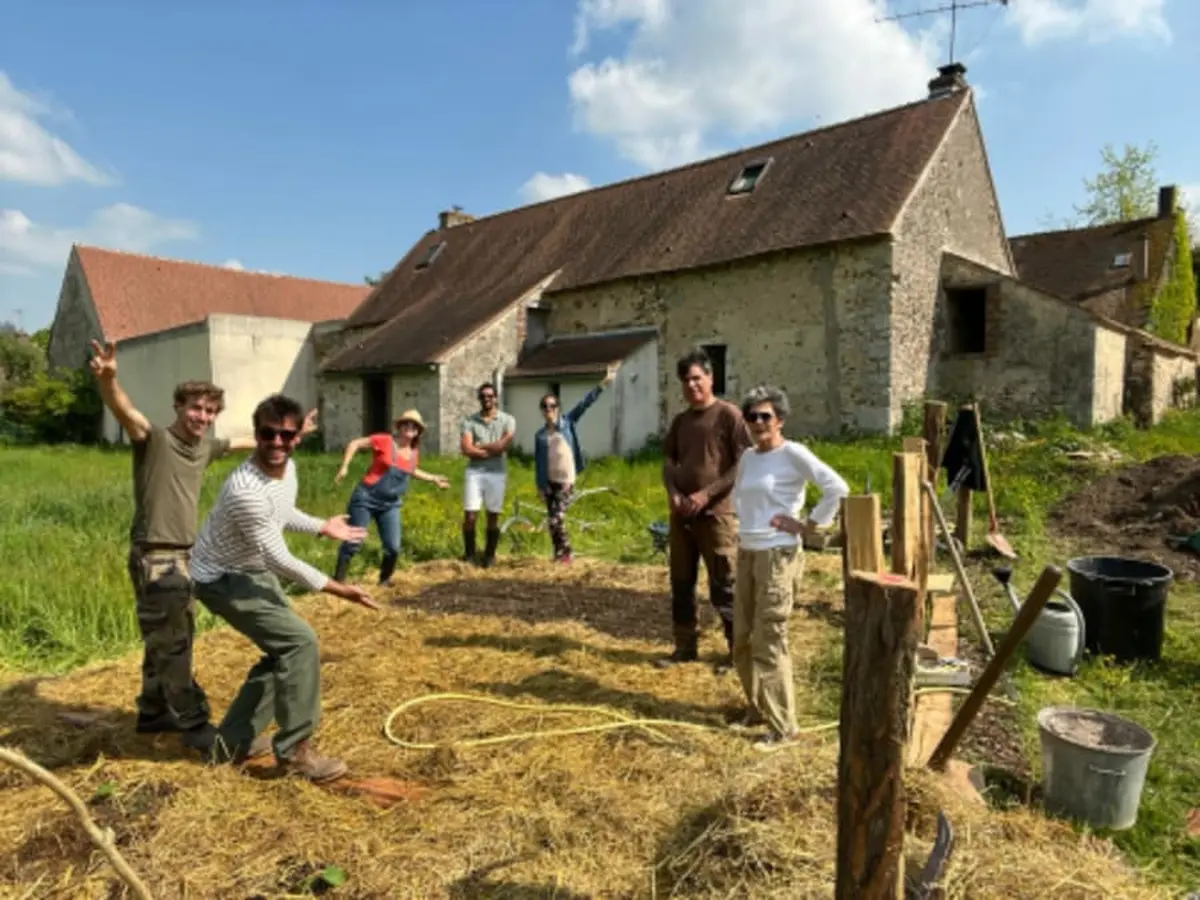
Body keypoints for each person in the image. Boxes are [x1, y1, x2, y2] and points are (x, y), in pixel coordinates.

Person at [87, 339, 317, 755]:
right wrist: (109, 380)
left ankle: (154, 710)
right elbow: (125, 412)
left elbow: (247, 441)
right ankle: (193, 727)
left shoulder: (204, 447)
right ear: (178, 406)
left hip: (184, 555)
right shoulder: (154, 439)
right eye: (195, 408)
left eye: (210, 411)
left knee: (165, 636)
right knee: (175, 643)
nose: (203, 417)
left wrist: (292, 434)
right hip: (158, 556)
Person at [189, 393, 379, 782]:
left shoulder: (286, 468)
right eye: (268, 434)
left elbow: (282, 512)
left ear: (297, 437)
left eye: (286, 435)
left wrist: (321, 526)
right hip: (220, 578)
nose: (277, 443)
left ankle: (232, 741)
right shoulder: (246, 490)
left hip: (250, 570)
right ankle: (295, 752)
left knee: (284, 652)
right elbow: (280, 560)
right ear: (256, 434)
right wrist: (341, 589)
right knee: (299, 643)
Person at [730, 384, 848, 750]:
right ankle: (757, 709)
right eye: (751, 416)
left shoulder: (793, 453)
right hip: (747, 552)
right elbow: (740, 497)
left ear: (779, 420)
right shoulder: (749, 457)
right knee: (742, 638)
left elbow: (837, 488)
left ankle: (784, 728)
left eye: (765, 416)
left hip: (777, 556)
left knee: (769, 639)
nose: (757, 423)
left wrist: (808, 525)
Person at [656, 348, 753, 672]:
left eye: (697, 378)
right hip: (683, 517)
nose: (692, 385)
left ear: (710, 378)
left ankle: (737, 654)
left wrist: (706, 494)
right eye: (686, 380)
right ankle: (685, 647)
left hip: (717, 516)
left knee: (725, 585)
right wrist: (673, 492)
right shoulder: (681, 422)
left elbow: (743, 463)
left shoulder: (729, 415)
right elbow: (669, 462)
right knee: (682, 584)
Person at [331, 409, 450, 585]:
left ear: (418, 432)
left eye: (414, 426)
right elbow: (355, 443)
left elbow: (411, 470)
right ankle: (338, 582)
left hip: (390, 505)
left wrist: (433, 478)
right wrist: (344, 466)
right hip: (366, 499)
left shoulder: (413, 452)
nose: (410, 427)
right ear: (399, 427)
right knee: (353, 541)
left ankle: (384, 581)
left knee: (393, 547)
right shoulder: (385, 440)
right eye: (406, 424)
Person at [533, 363, 620, 563]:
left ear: (558, 408)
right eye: (545, 407)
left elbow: (584, 404)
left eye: (552, 406)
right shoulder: (540, 435)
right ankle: (558, 554)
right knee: (552, 521)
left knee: (557, 518)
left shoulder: (568, 423)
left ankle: (567, 553)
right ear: (542, 411)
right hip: (549, 482)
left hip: (566, 480)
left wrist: (603, 384)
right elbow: (538, 462)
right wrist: (540, 486)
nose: (549, 410)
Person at [459, 382, 517, 568]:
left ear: (496, 398)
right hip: (474, 473)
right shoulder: (470, 421)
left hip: (496, 473)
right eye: (483, 396)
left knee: (493, 515)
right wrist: (489, 449)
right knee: (470, 516)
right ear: (479, 399)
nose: (487, 399)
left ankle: (489, 555)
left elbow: (502, 446)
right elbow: (466, 449)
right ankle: (470, 555)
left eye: (490, 396)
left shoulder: (507, 420)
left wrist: (480, 447)